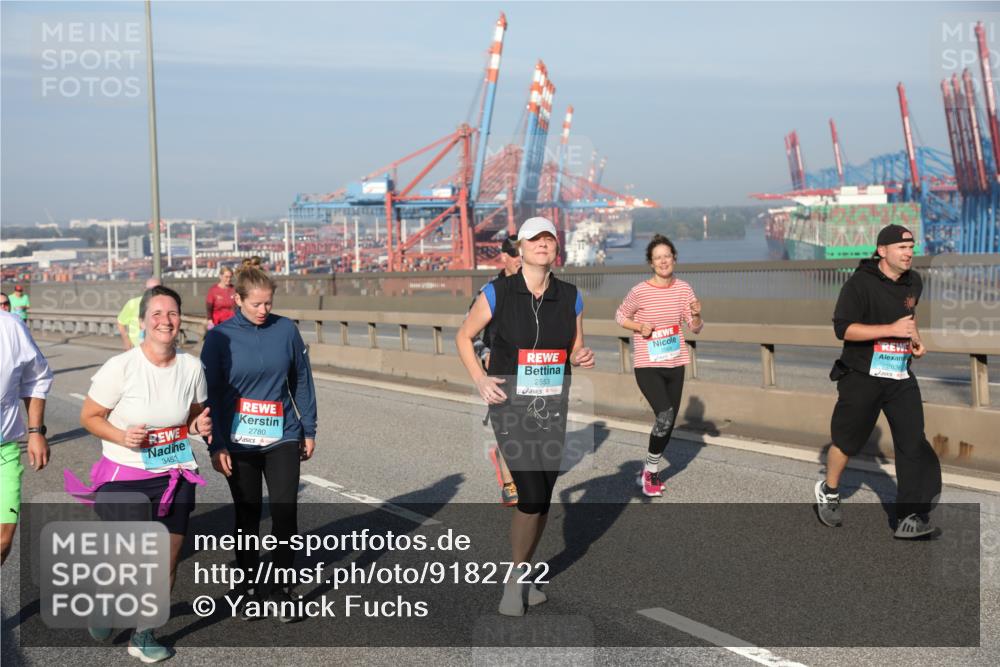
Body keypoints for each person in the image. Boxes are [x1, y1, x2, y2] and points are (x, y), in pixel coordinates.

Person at [456, 216, 594, 617]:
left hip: (552, 405)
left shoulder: (572, 297)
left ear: (556, 249)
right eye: (535, 238)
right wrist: (480, 380)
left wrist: (580, 356)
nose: (543, 244)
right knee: (531, 494)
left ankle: (524, 571)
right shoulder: (498, 293)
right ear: (520, 247)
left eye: (549, 238)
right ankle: (514, 580)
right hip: (509, 406)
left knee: (543, 498)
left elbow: (575, 348)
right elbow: (464, 337)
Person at [69, 285, 212, 662]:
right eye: (158, 314)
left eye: (173, 314)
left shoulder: (192, 367)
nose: (166, 321)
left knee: (167, 556)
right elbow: (88, 417)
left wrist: (198, 427)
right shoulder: (122, 367)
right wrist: (122, 435)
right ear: (143, 322)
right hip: (125, 474)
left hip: (175, 471)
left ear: (181, 320)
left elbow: (194, 413)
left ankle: (144, 634)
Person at [200, 263, 317, 621]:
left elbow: (301, 380)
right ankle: (249, 587)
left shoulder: (285, 330)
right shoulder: (220, 337)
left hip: (283, 434)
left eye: (269, 303)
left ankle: (282, 589)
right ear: (238, 299)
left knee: (285, 514)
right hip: (238, 440)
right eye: (256, 305)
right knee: (247, 516)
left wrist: (308, 428)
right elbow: (211, 394)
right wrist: (216, 444)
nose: (264, 311)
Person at [816, 224, 941, 539]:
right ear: (882, 251)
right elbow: (843, 329)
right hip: (861, 376)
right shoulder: (860, 284)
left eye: (911, 247)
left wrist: (916, 341)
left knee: (912, 442)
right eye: (902, 248)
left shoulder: (914, 281)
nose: (909, 253)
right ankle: (829, 490)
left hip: (899, 374)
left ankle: (909, 517)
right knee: (847, 442)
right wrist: (889, 329)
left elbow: (908, 322)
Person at [615, 235, 703, 497]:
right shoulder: (640, 291)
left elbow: (695, 328)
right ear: (651, 264)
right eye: (658, 258)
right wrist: (639, 326)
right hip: (648, 364)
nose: (663, 261)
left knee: (668, 421)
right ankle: (650, 474)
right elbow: (620, 315)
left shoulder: (684, 289)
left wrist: (697, 314)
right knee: (664, 415)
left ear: (674, 258)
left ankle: (649, 470)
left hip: (675, 362)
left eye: (667, 256)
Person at [468, 235, 521, 506]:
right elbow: (470, 330)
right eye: (514, 254)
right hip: (499, 367)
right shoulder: (490, 290)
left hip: (530, 369)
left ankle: (506, 458)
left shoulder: (539, 288)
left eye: (523, 252)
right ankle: (510, 483)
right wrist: (485, 355)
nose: (519, 259)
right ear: (504, 257)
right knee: (508, 428)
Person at [0, 309, 52, 565]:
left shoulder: (9, 327)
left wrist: (35, 431)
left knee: (2, 540)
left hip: (3, 452)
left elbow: (36, 377)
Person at [117, 277, 162, 350]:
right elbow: (120, 323)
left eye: (156, 289)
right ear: (145, 289)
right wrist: (126, 340)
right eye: (149, 289)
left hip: (158, 349)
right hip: (136, 348)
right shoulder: (133, 303)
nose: (152, 292)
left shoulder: (167, 305)